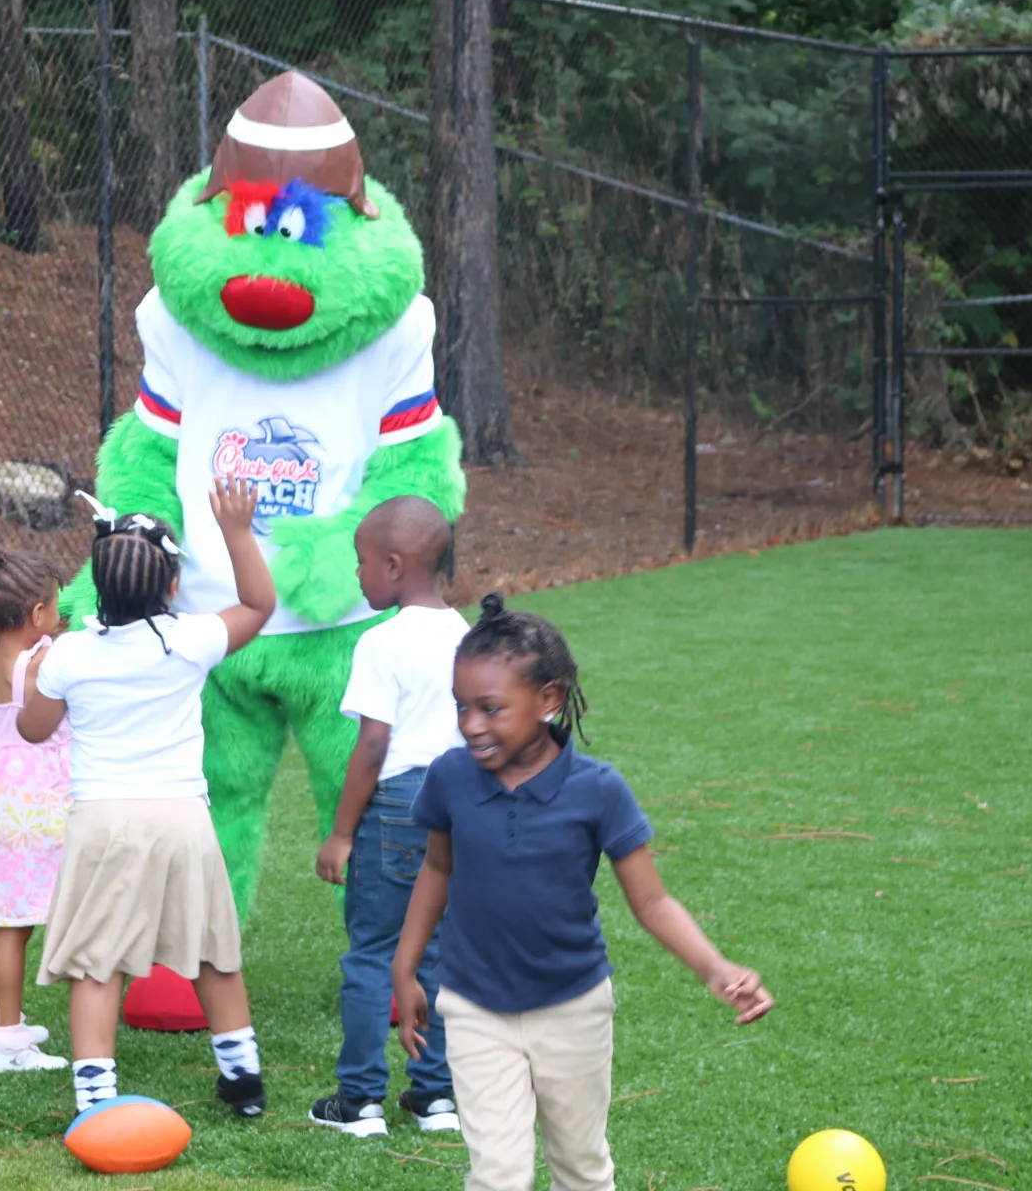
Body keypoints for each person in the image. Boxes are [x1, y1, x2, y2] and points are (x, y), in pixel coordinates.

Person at [392, 595, 774, 1191]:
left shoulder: (598, 790)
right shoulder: (450, 776)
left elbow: (652, 902)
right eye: (461, 707)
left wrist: (714, 967)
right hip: (473, 1006)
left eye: (491, 709)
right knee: (496, 1176)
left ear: (548, 699)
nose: (470, 724)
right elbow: (437, 871)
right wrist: (405, 966)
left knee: (581, 1168)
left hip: (573, 1008)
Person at [16, 478, 275, 1120]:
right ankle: (243, 1084)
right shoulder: (191, 641)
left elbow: (32, 729)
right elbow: (258, 604)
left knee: (98, 965)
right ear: (171, 584)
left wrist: (32, 669)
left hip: (103, 823)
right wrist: (238, 532)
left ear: (97, 587)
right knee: (214, 953)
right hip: (184, 818)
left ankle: (95, 1098)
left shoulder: (70, 653)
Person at [308, 496, 467, 1138]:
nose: (358, 574)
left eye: (362, 562)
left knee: (374, 952)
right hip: (458, 806)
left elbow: (373, 744)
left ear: (395, 566)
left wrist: (342, 833)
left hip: (399, 805)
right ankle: (434, 1097)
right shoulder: (467, 635)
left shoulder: (382, 642)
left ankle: (360, 1099)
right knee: (436, 953)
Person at [0, 550, 73, 1072]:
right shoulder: (43, 664)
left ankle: (2, 1016)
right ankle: (6, 1042)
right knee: (20, 924)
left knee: (12, 919)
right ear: (36, 615)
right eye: (55, 606)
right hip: (42, 804)